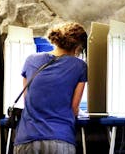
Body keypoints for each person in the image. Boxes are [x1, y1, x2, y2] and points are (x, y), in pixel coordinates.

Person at [13, 22, 88, 154]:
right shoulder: (79, 66)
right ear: (78, 47)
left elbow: (28, 101)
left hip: (26, 139)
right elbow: (74, 109)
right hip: (60, 140)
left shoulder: (30, 60)